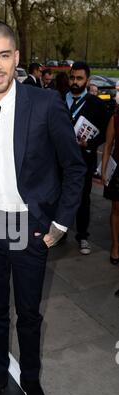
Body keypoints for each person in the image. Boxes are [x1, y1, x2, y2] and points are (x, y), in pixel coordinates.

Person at [0, 20, 86, 395]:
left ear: (16, 58)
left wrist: (61, 223)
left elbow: (74, 167)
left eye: (3, 55)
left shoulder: (45, 103)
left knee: (29, 314)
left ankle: (31, 380)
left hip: (28, 227)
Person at [65, 61, 108, 255]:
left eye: (79, 78)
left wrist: (89, 144)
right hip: (59, 162)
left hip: (84, 161)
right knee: (60, 198)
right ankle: (60, 233)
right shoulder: (57, 99)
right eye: (72, 77)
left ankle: (82, 236)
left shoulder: (96, 104)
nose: (75, 81)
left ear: (87, 80)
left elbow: (106, 131)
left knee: (83, 199)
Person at [101, 85, 119, 264]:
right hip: (118, 169)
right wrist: (104, 171)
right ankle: (115, 247)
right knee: (116, 209)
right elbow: (107, 146)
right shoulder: (115, 118)